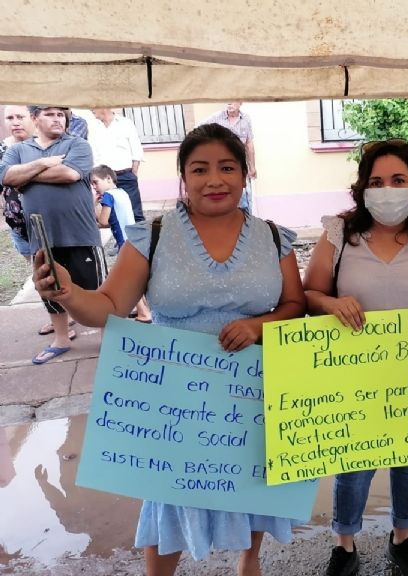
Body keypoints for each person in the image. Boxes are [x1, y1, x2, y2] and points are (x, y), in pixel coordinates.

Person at [33, 123, 306, 576]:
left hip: (252, 397)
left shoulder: (275, 237)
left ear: (244, 174)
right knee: (169, 504)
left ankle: (249, 564)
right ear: (184, 177)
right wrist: (67, 292)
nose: (214, 180)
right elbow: (108, 307)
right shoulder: (153, 236)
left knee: (252, 486)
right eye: (200, 169)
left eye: (227, 167)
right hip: (174, 405)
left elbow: (294, 305)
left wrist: (259, 326)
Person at [303, 138, 408, 576]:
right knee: (353, 463)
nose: (386, 189)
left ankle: (403, 539)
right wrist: (332, 304)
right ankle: (345, 544)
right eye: (376, 181)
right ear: (362, 188)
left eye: (397, 179)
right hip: (354, 374)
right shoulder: (339, 233)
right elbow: (310, 292)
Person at [0, 105, 105, 364]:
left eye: (61, 114)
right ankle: (61, 339)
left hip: (80, 233)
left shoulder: (78, 144)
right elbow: (6, 177)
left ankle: (108, 339)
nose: (58, 119)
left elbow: (69, 173)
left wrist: (26, 175)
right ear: (35, 119)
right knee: (50, 288)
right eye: (50, 114)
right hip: (41, 236)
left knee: (97, 289)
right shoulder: (18, 150)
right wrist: (43, 163)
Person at [91, 164, 152, 323]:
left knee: (128, 281)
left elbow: (103, 221)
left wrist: (93, 204)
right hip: (134, 239)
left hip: (124, 242)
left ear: (108, 178)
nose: (94, 187)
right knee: (135, 277)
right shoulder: (122, 192)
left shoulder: (108, 196)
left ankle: (144, 313)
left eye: (96, 182)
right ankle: (143, 307)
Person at [91, 108, 145, 221]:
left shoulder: (125, 123)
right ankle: (121, 239)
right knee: (112, 216)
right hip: (105, 180)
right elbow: (94, 155)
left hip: (125, 175)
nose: (91, 109)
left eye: (93, 106)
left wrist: (133, 174)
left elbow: (136, 151)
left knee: (135, 214)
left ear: (102, 106)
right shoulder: (93, 127)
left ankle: (141, 238)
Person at [202, 102, 257, 212]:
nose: (229, 103)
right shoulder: (216, 118)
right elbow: (198, 131)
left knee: (245, 198)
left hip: (240, 164)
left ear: (240, 102)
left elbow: (249, 143)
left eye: (233, 100)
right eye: (227, 100)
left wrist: (252, 167)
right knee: (227, 194)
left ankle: (245, 223)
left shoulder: (246, 119)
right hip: (222, 166)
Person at [1, 105, 35, 261]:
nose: (15, 123)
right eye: (10, 118)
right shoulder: (2, 148)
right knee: (39, 272)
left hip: (50, 222)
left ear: (33, 117)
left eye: (20, 117)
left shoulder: (46, 144)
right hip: (18, 225)